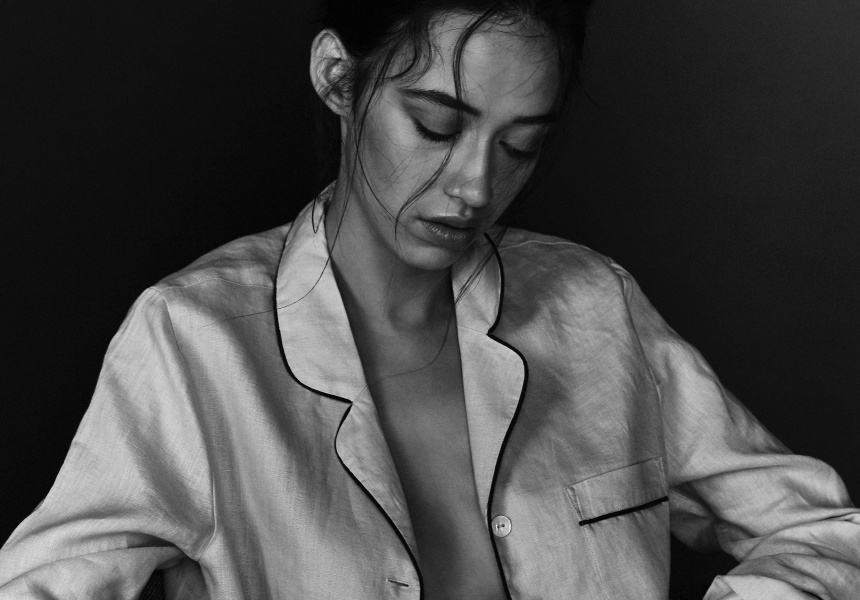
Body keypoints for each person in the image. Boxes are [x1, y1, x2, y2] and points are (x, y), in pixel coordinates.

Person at [1, 0, 858, 598]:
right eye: (437, 127)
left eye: (520, 146)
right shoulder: (193, 339)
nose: (476, 185)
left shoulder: (595, 306)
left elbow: (823, 532)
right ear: (338, 78)